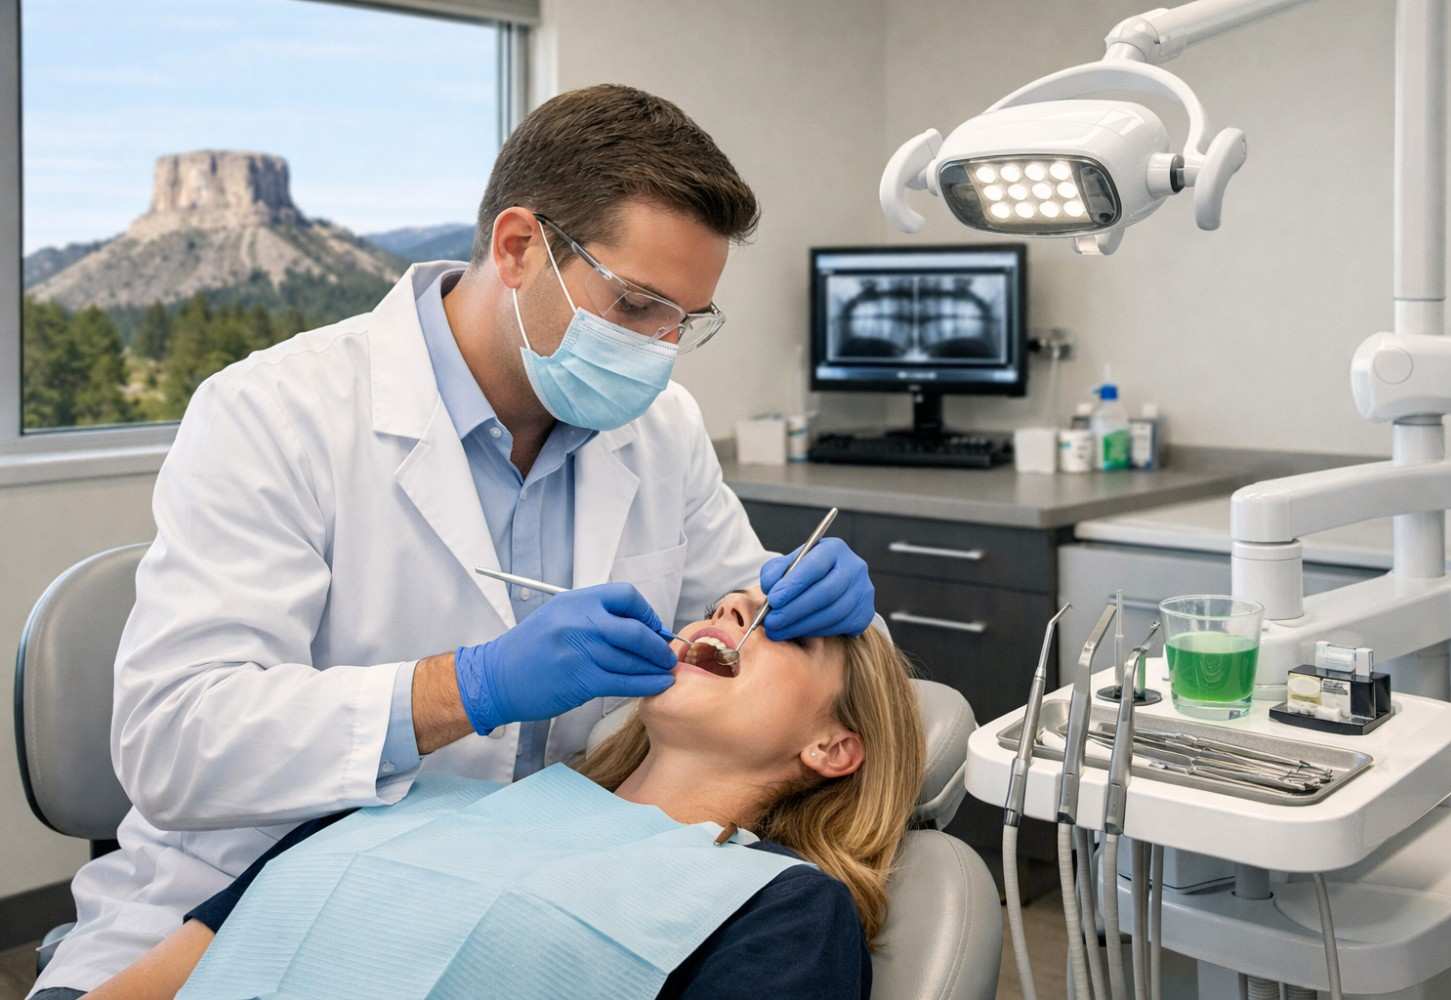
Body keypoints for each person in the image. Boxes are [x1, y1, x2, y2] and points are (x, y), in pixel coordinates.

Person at [30, 85, 879, 999]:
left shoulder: (660, 429)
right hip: (254, 892)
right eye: (636, 305)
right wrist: (467, 688)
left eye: (685, 319)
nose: (660, 348)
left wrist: (817, 605)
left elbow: (758, 630)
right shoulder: (274, 411)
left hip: (527, 898)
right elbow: (173, 744)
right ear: (518, 248)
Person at [80, 590, 924, 999]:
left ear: (833, 747)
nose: (734, 605)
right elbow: (164, 976)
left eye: (785, 628)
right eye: (726, 603)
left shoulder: (785, 908)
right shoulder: (413, 798)